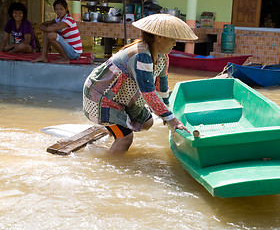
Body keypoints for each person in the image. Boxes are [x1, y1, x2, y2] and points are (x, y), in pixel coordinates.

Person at [83, 13, 198, 154]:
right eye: (172, 39)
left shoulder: (163, 57)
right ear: (159, 37)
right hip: (102, 96)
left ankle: (115, 130)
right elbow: (148, 94)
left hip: (123, 97)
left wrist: (166, 112)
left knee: (147, 122)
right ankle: (110, 157)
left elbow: (161, 85)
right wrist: (172, 119)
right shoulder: (142, 55)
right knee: (125, 139)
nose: (175, 43)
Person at [32, 0, 82, 64]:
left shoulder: (68, 20)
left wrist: (50, 27)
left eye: (61, 9)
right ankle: (44, 56)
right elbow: (42, 25)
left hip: (74, 53)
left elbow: (47, 28)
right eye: (56, 9)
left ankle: (65, 59)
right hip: (68, 50)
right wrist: (49, 27)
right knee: (48, 32)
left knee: (51, 34)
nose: (59, 11)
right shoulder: (58, 19)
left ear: (66, 9)